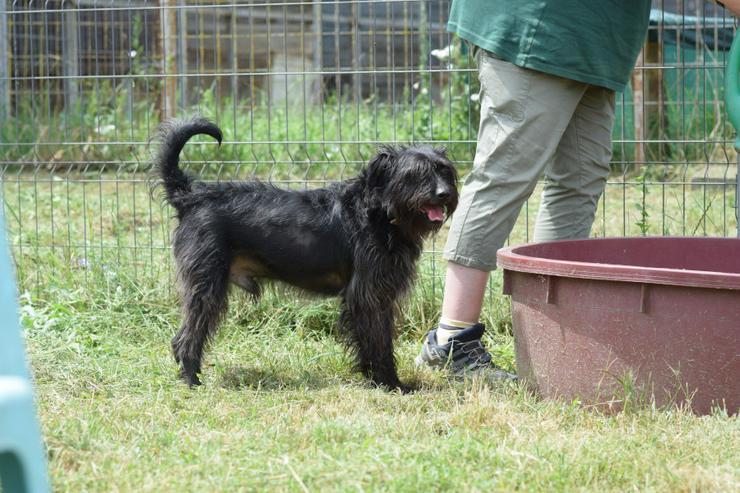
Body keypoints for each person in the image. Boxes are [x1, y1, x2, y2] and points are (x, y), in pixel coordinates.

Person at [415, 0, 654, 377]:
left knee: (579, 180)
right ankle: (451, 341)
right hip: (540, 27)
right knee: (505, 174)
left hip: (596, 43)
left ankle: (549, 338)